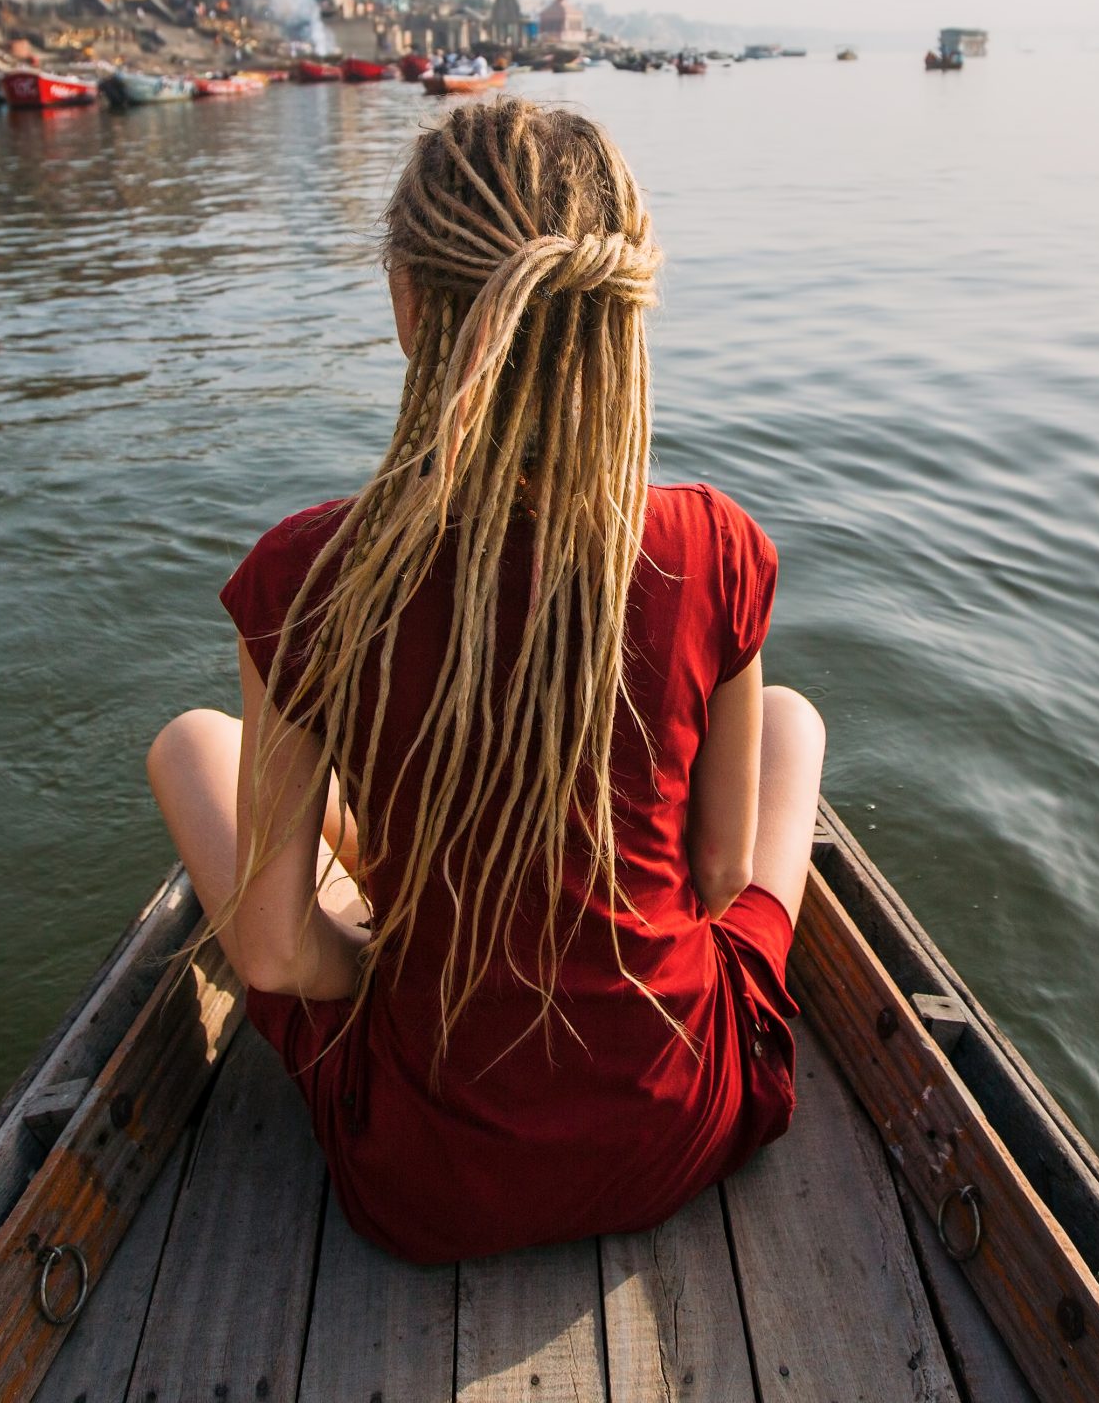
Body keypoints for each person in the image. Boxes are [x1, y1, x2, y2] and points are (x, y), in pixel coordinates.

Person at [147, 98, 825, 1263]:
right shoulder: (713, 544)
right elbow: (715, 878)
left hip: (428, 1174)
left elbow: (269, 954)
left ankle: (383, 865)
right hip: (676, 1123)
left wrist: (386, 975)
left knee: (189, 743)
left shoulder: (310, 574)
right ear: (621, 312)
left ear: (409, 306)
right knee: (791, 718)